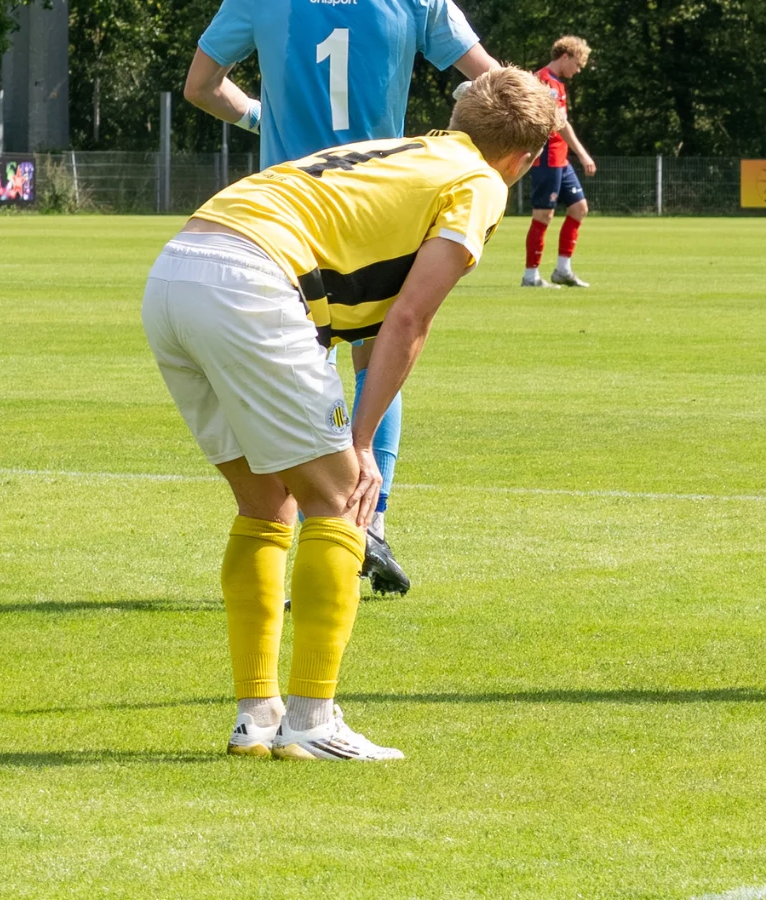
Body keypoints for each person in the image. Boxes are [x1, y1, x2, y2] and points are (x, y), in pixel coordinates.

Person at [141, 68, 560, 760]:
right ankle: (312, 721)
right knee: (341, 501)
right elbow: (409, 319)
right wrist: (362, 441)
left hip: (180, 267)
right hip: (254, 280)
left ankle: (258, 717)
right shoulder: (481, 182)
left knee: (265, 502)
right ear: (526, 155)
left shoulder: (412, 150)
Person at [182, 0, 501, 596]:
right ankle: (372, 522)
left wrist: (261, 115)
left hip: (285, 209)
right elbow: (493, 84)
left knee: (299, 367)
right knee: (377, 359)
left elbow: (201, 84)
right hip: (378, 209)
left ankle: (305, 528)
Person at [522, 36, 598, 288]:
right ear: (565, 57)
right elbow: (559, 124)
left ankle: (563, 270)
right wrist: (583, 154)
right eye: (577, 64)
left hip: (561, 157)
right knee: (544, 214)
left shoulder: (557, 84)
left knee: (579, 208)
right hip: (547, 156)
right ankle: (531, 276)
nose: (577, 71)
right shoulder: (544, 82)